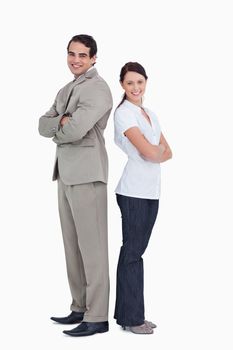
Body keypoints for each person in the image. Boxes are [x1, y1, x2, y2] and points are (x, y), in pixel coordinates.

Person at [38, 34, 113, 337]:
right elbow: (42, 124)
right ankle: (79, 307)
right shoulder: (66, 89)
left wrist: (64, 124)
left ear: (94, 58)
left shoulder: (98, 88)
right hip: (65, 174)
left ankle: (97, 316)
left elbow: (78, 128)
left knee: (93, 250)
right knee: (72, 247)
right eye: (72, 54)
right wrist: (62, 122)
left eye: (83, 55)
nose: (76, 60)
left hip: (87, 174)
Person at [113, 62, 172, 334]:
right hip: (133, 191)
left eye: (139, 82)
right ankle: (131, 317)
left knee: (137, 253)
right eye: (129, 83)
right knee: (132, 253)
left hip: (151, 191)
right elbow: (150, 153)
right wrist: (154, 152)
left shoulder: (149, 114)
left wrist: (154, 151)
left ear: (146, 81)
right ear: (123, 86)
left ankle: (134, 313)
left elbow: (168, 152)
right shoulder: (124, 113)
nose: (135, 88)